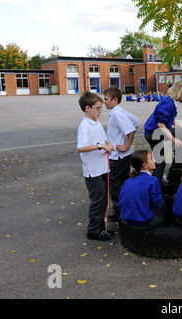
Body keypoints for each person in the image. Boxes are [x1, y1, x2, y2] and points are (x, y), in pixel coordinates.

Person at [76, 92, 115, 241]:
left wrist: (108, 144)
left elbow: (103, 141)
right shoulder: (85, 125)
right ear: (87, 108)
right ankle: (93, 230)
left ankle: (101, 227)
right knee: (98, 200)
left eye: (101, 108)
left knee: (104, 198)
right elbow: (81, 147)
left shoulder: (96, 123)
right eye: (97, 108)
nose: (100, 112)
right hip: (93, 171)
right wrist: (100, 146)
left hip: (103, 168)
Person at [144, 79, 182, 184]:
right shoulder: (168, 103)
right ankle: (181, 162)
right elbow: (160, 124)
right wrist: (174, 139)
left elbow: (172, 120)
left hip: (153, 133)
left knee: (160, 162)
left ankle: (156, 184)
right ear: (180, 93)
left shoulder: (171, 102)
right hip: (153, 133)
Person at [104, 87, 141, 221]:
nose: (104, 103)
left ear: (115, 100)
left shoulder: (116, 113)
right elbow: (136, 122)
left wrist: (126, 145)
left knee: (115, 183)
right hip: (123, 156)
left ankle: (119, 210)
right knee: (124, 181)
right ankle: (127, 207)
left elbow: (130, 130)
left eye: (106, 100)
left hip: (118, 155)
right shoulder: (119, 110)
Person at [119, 150, 167, 229]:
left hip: (127, 219)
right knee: (162, 203)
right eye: (151, 159)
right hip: (144, 221)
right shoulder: (153, 180)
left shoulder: (127, 181)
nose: (154, 160)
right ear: (145, 165)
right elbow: (156, 202)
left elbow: (121, 200)